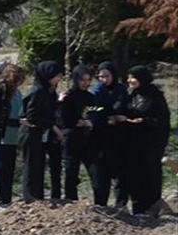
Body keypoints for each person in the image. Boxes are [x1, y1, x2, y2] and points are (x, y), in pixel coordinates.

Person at [119, 66, 171, 215]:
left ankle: (153, 207)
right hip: (132, 143)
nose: (129, 80)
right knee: (134, 175)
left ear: (142, 78)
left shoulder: (155, 96)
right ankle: (138, 208)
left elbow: (163, 120)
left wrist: (144, 120)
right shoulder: (131, 95)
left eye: (132, 77)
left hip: (150, 144)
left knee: (150, 174)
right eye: (128, 77)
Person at [21, 61, 64, 202]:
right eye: (57, 76)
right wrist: (53, 126)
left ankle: (38, 198)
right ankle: (30, 199)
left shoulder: (48, 91)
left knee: (39, 166)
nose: (59, 79)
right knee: (31, 167)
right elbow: (32, 115)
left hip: (40, 134)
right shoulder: (38, 91)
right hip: (31, 133)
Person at [89, 62, 129, 208]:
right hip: (102, 137)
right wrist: (106, 116)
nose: (103, 79)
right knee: (102, 172)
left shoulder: (120, 90)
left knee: (120, 172)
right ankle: (102, 204)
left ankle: (121, 203)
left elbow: (122, 106)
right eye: (100, 76)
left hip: (119, 137)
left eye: (106, 76)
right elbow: (94, 109)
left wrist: (116, 114)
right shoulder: (97, 91)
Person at [0, 64, 26, 210]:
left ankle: (6, 198)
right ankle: (0, 199)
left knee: (9, 169)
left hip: (13, 137)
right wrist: (17, 122)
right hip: (3, 138)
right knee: (2, 170)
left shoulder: (17, 93)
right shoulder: (1, 93)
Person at [59, 66, 95, 202]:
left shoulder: (90, 97)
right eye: (82, 80)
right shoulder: (68, 96)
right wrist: (76, 121)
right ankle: (70, 200)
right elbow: (63, 117)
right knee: (71, 172)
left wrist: (89, 121)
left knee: (94, 171)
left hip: (87, 138)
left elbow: (95, 111)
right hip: (71, 138)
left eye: (88, 80)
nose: (85, 83)